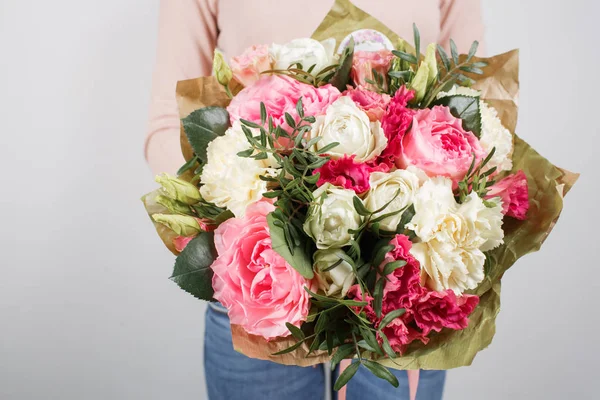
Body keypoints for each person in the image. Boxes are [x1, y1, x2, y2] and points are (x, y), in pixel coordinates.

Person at [145, 1, 485, 399]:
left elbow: (470, 110)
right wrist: (240, 221)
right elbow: (167, 125)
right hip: (261, 285)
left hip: (395, 298)